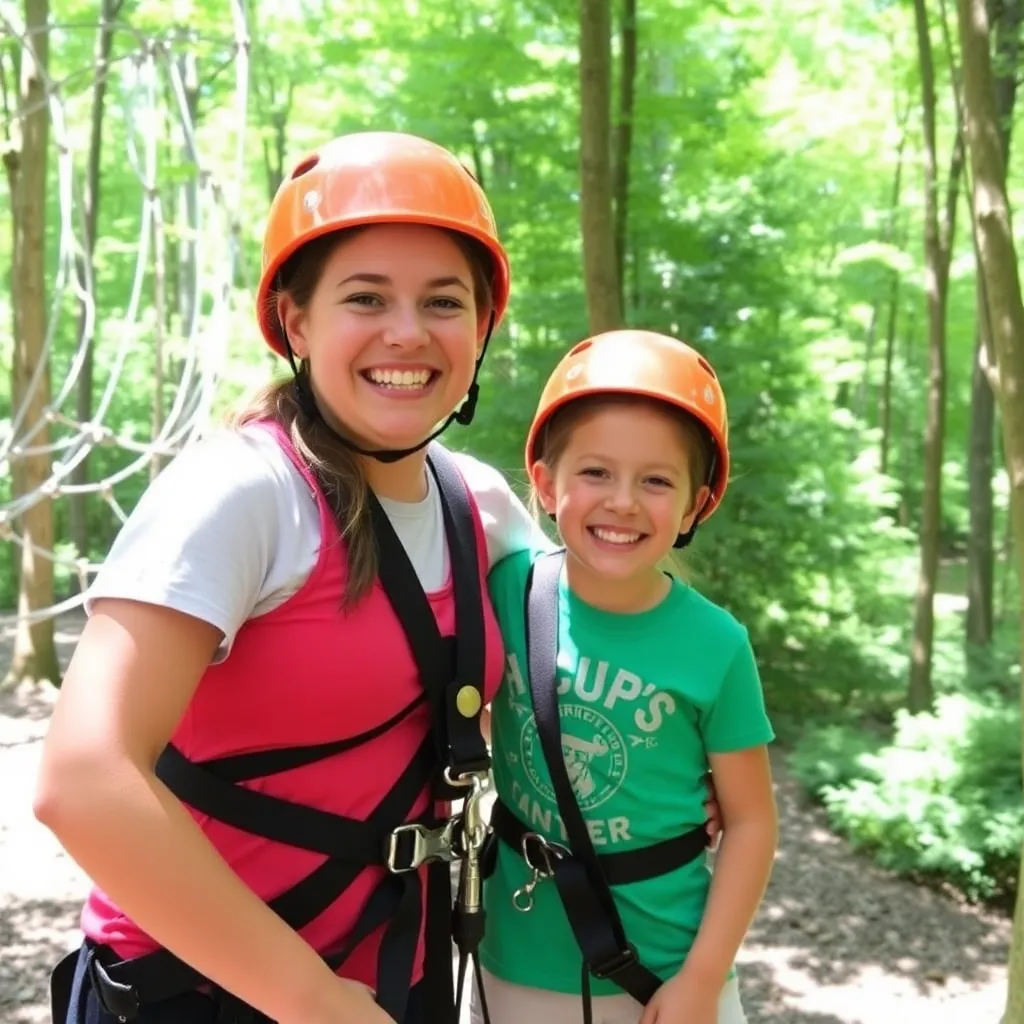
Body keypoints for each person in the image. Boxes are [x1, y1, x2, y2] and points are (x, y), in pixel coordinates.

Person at [34, 130, 539, 1024]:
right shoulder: (244, 491)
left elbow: (570, 699)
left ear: (482, 325)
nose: (409, 332)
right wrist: (312, 1001)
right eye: (366, 297)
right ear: (297, 321)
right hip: (198, 991)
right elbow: (83, 778)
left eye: (444, 300)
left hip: (399, 977)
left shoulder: (483, 509)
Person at [471, 329, 778, 1024]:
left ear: (697, 504)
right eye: (596, 473)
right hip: (515, 957)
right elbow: (491, 710)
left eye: (657, 481)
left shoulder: (715, 646)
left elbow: (753, 822)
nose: (623, 502)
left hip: (665, 969)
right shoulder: (508, 591)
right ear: (547, 486)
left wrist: (702, 978)